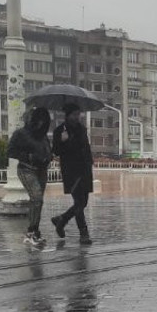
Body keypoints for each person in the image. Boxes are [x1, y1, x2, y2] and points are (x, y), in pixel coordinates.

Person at [7, 107, 53, 248]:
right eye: (38, 119)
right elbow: (11, 151)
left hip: (42, 170)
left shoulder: (43, 136)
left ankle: (35, 231)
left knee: (38, 201)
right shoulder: (21, 134)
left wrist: (48, 157)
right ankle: (31, 232)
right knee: (36, 197)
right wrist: (28, 156)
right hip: (26, 170)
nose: (41, 123)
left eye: (44, 120)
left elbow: (48, 150)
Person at [51, 103, 94, 244]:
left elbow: (86, 148)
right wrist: (63, 141)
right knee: (78, 202)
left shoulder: (82, 129)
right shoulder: (60, 131)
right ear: (67, 115)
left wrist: (89, 163)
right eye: (74, 114)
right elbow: (56, 151)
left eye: (78, 114)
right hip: (71, 171)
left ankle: (61, 219)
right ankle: (83, 233)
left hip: (85, 170)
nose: (77, 117)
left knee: (84, 202)